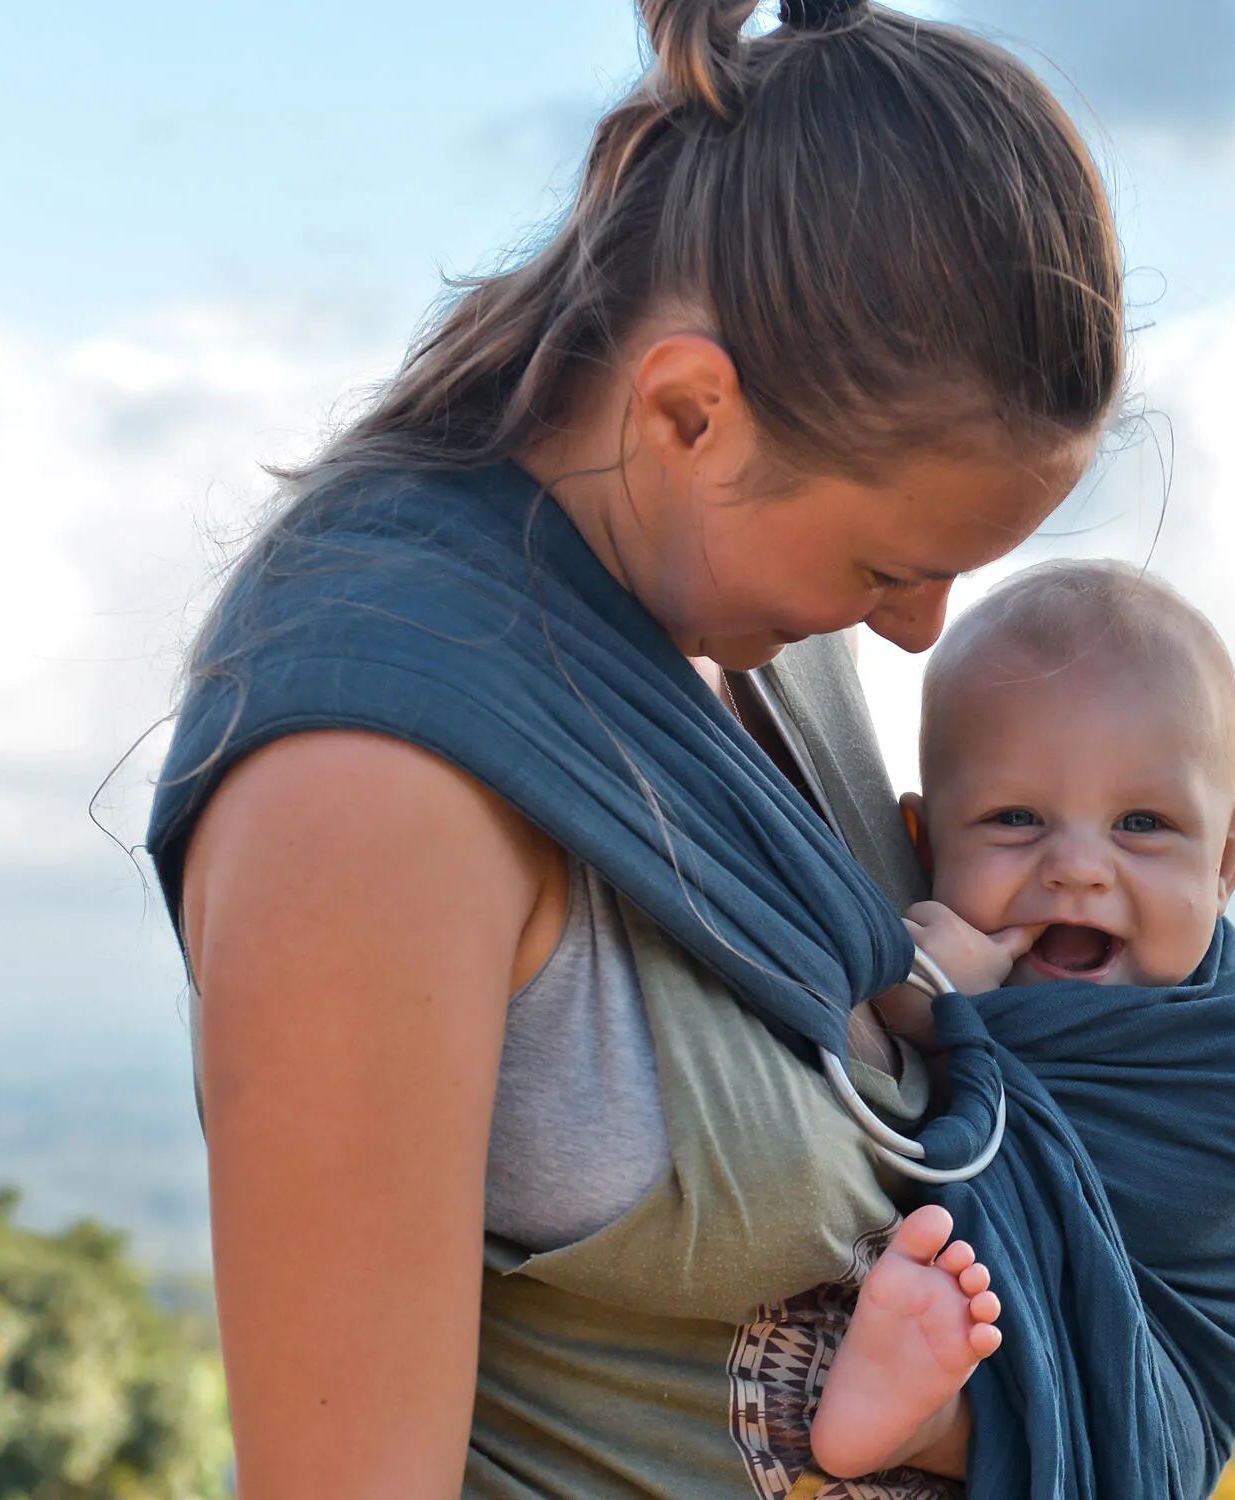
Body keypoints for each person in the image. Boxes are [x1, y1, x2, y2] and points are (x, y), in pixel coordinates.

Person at [143, 0, 1127, 1493]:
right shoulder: (370, 790)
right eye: (886, 569)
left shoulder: (746, 628)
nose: (919, 631)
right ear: (687, 412)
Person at [809, 560, 1235, 1479]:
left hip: (1164, 1392)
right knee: (972, 1311)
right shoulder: (929, 967)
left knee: (1112, 1396)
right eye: (1016, 818)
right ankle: (933, 1413)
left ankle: (933, 1426)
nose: (1078, 868)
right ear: (922, 846)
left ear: (1226, 860)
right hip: (983, 1321)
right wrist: (966, 1015)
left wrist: (961, 1024)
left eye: (1142, 822)